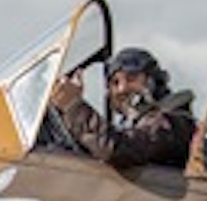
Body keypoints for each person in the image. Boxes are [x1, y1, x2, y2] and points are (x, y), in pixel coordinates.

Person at [49, 46, 196, 169]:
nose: (122, 89)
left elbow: (120, 150)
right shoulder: (132, 125)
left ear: (153, 80)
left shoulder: (171, 122)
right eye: (115, 83)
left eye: (131, 78)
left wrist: (73, 106)